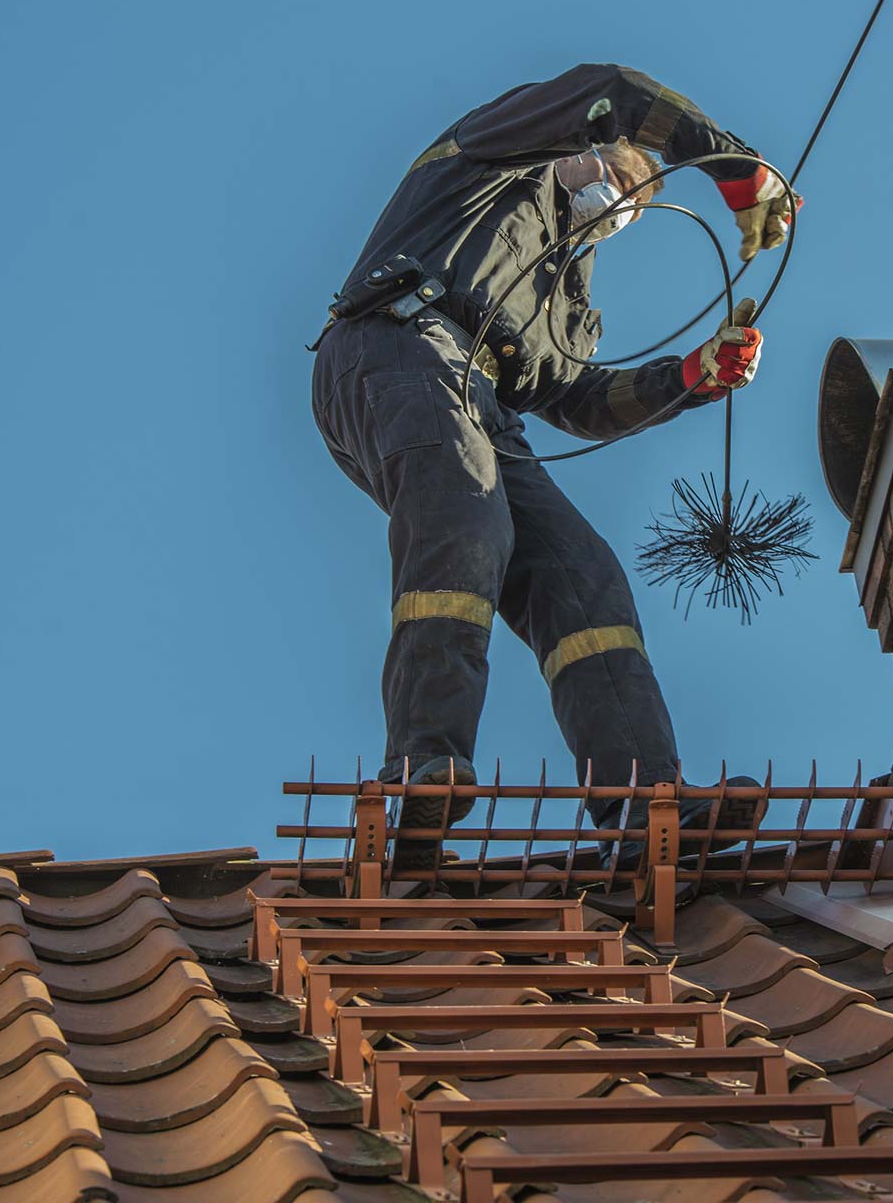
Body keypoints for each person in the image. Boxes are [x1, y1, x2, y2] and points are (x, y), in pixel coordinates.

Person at [310, 64, 798, 866]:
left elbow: (574, 395)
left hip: (480, 400)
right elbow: (609, 89)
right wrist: (733, 166)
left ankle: (644, 804)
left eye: (629, 209)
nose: (611, 202)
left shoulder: (567, 294)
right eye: (611, 175)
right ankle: (422, 763)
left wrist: (692, 375)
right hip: (393, 345)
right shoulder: (491, 153)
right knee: (466, 513)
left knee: (583, 578)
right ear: (580, 147)